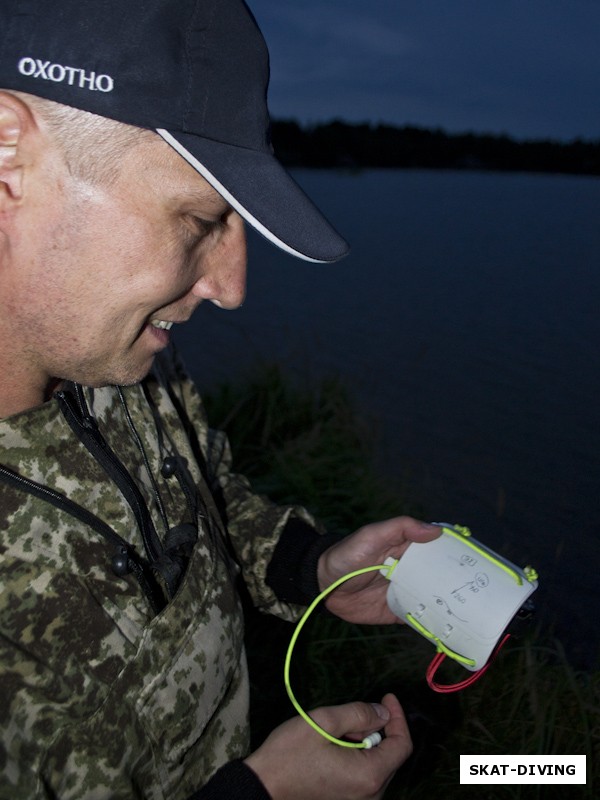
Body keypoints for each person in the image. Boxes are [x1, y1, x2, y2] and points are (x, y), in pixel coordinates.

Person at [0, 1, 441, 797]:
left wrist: (318, 568)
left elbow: (204, 498)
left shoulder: (126, 358)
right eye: (202, 220)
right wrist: (259, 795)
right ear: (8, 152)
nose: (231, 289)